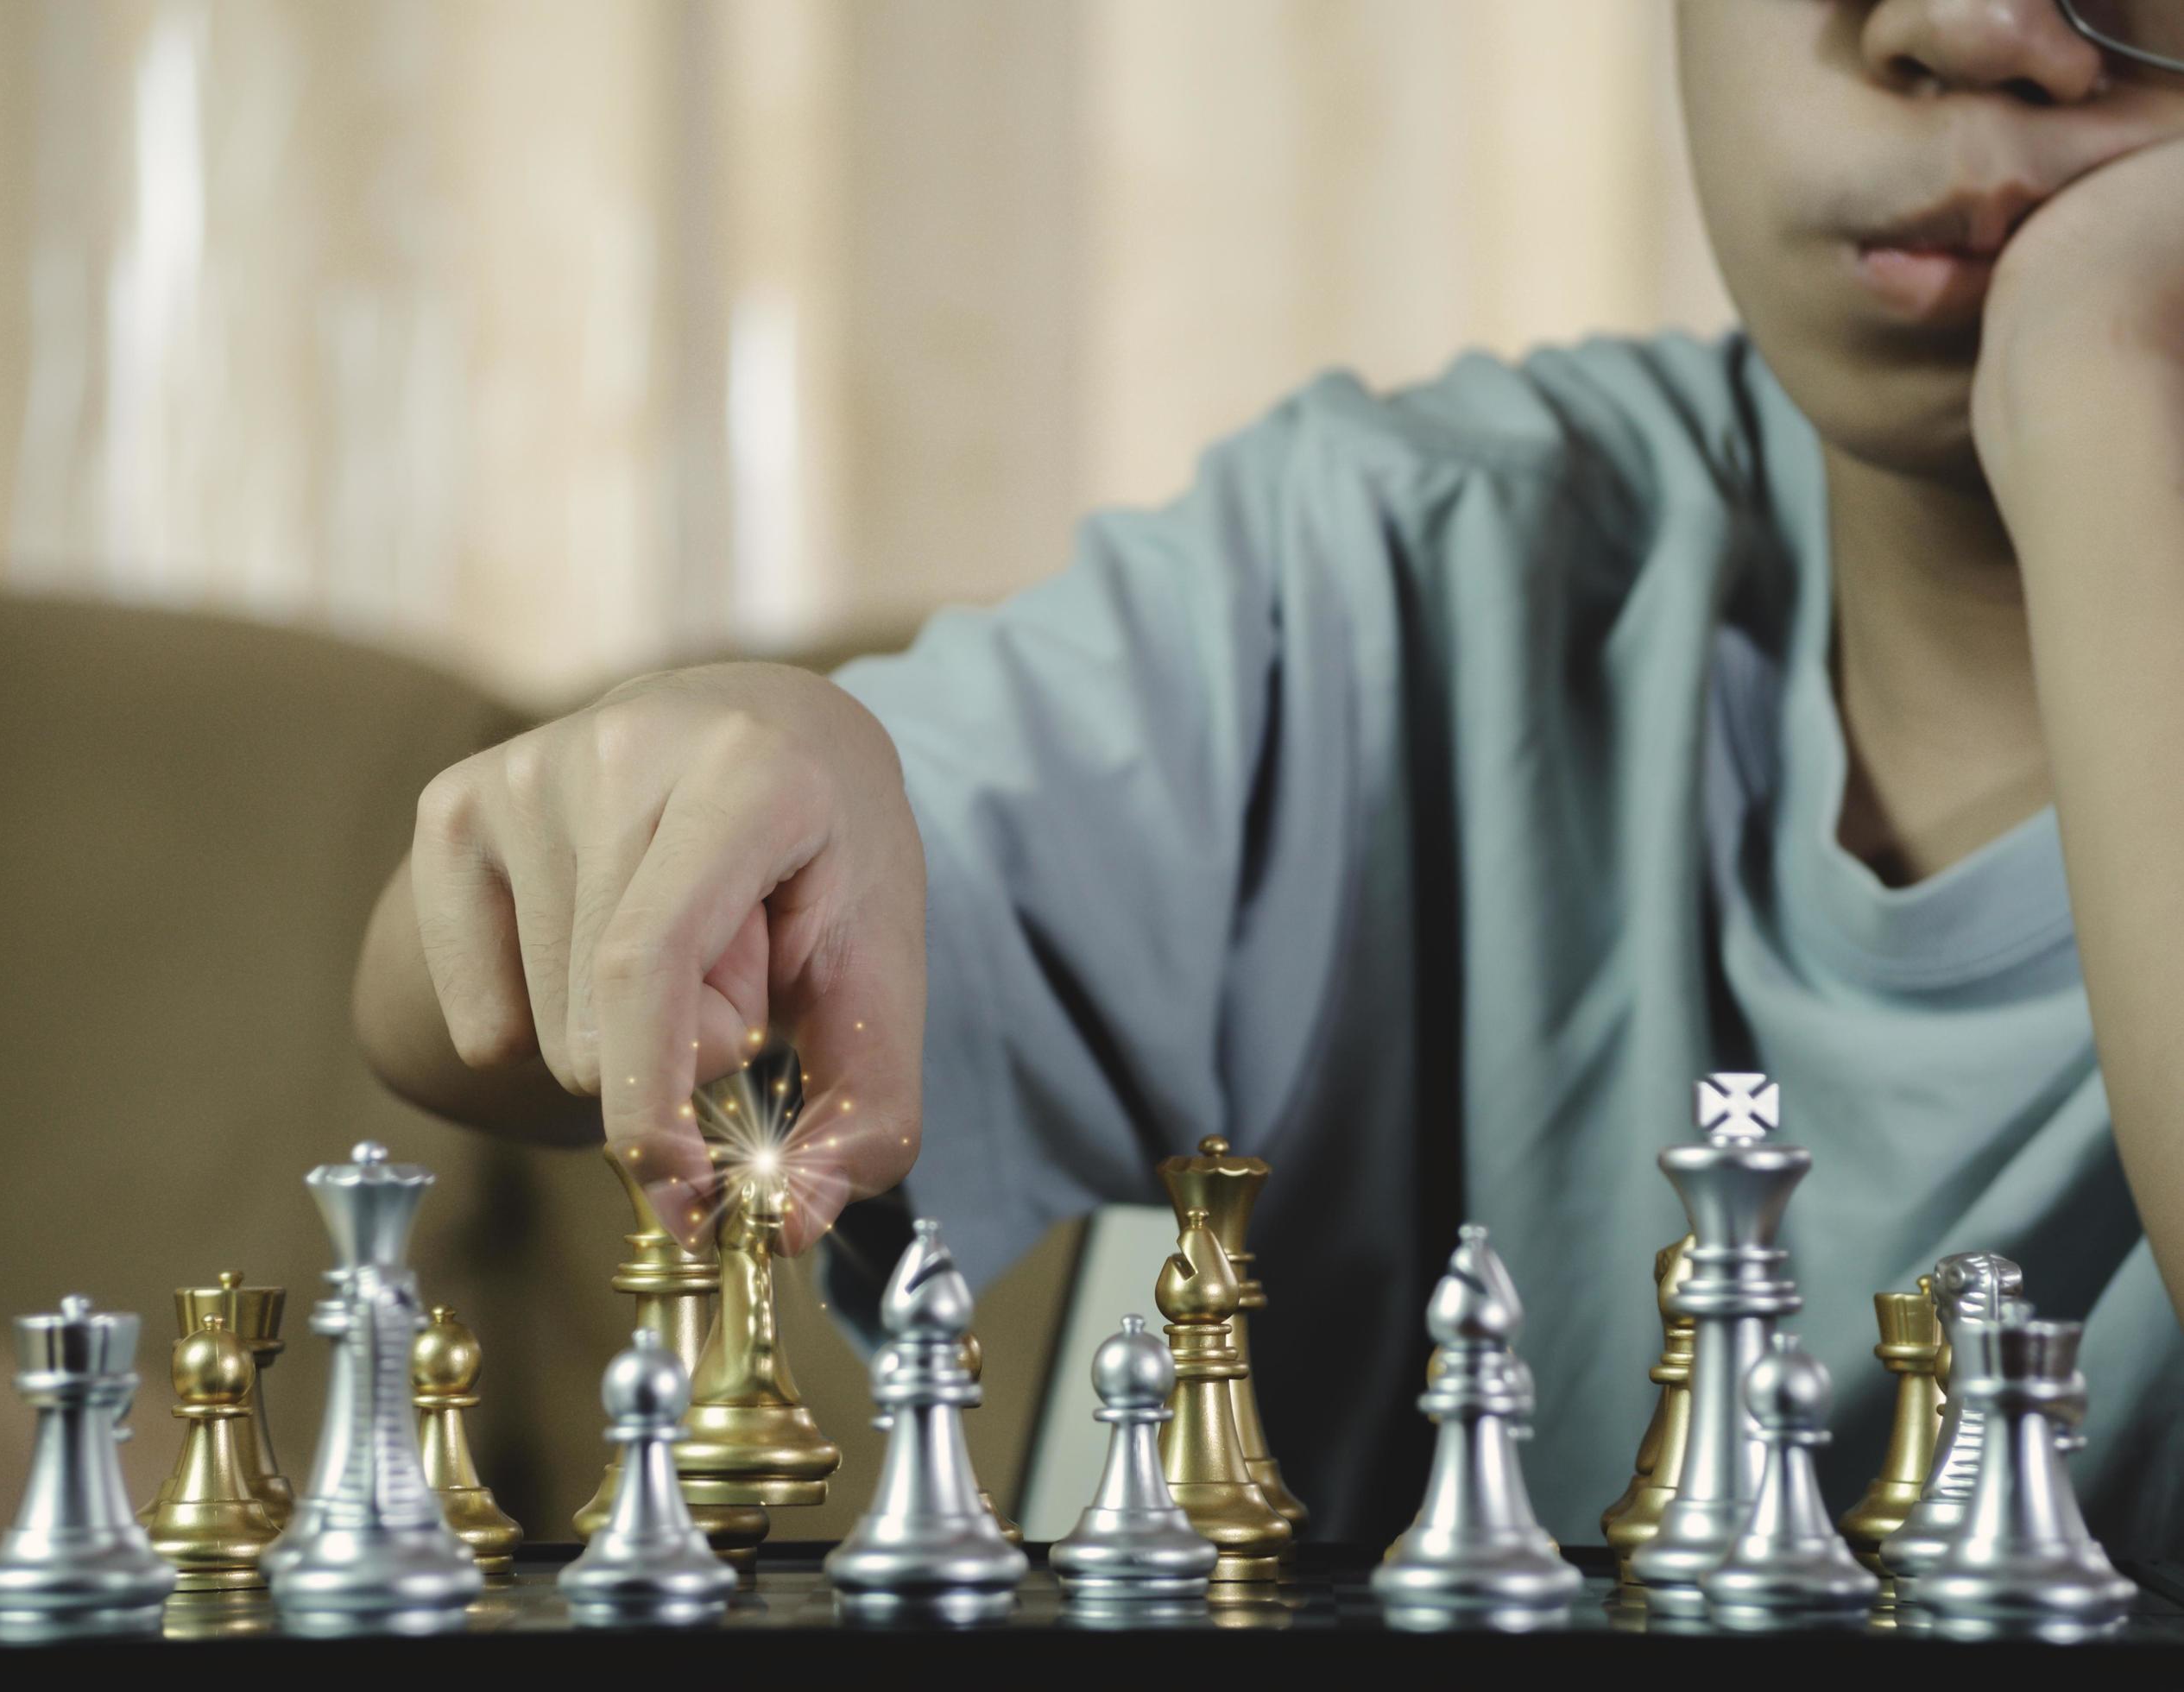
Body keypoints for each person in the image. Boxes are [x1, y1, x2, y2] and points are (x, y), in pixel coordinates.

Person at [351, 1, 2184, 1546]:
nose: (1967, 28)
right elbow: (455, 1006)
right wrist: (702, 797)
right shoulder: (1407, 560)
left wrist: (2107, 394)